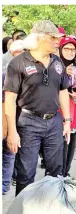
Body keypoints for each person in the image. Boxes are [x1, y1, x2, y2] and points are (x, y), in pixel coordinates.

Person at [4, 20, 70, 196]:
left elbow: (63, 91)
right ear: (40, 38)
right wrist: (12, 131)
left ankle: (54, 205)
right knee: (26, 172)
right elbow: (10, 99)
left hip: (54, 121)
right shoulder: (18, 63)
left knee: (56, 170)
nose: (58, 42)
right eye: (53, 38)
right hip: (28, 123)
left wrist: (67, 120)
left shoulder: (57, 62)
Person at [58, 36, 76, 178]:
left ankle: (66, 173)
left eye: (73, 49)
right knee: (60, 147)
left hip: (75, 114)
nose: (70, 52)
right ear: (60, 50)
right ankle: (57, 176)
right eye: (66, 48)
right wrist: (63, 72)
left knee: (71, 146)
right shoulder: (54, 66)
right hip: (60, 114)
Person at [2, 40, 25, 195]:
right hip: (6, 117)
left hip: (21, 118)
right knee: (8, 152)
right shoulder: (5, 73)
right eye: (17, 54)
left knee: (11, 152)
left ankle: (4, 185)